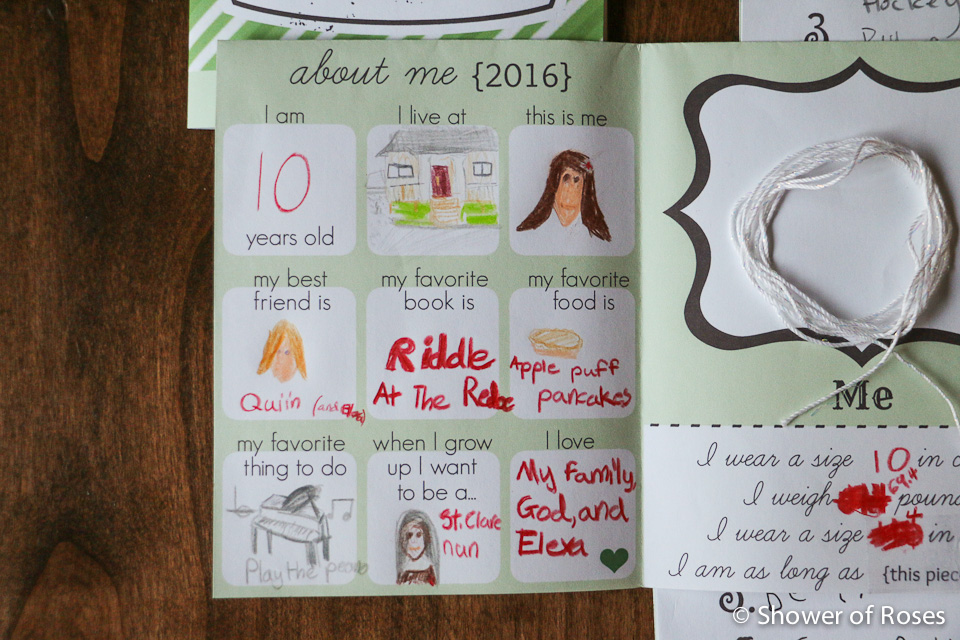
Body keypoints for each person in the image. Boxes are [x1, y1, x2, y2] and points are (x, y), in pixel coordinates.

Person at [516, 149, 611, 241]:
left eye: (576, 180)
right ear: (553, 185)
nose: (570, 191)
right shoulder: (529, 234)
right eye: (566, 179)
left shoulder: (596, 236)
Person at [395, 510, 439, 586]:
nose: (413, 541)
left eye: (418, 535)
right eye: (409, 535)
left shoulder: (429, 569)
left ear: (426, 538)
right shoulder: (402, 570)